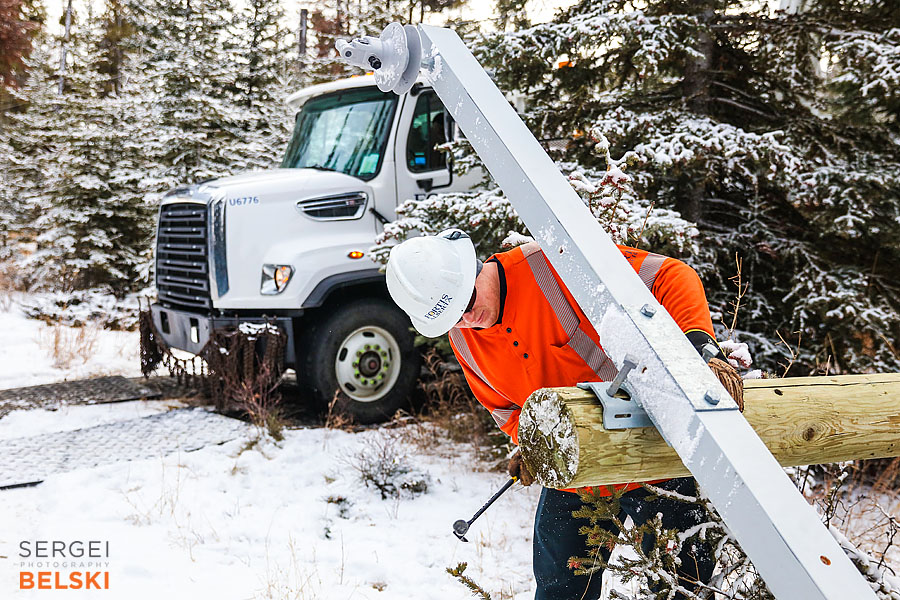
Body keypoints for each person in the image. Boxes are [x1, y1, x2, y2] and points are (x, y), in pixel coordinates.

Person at [385, 229, 743, 600]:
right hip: (576, 471)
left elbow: (670, 275)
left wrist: (700, 348)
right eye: (452, 318)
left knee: (683, 587)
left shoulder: (551, 264)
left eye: (467, 302)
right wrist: (531, 443)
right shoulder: (463, 336)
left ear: (474, 269)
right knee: (560, 591)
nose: (467, 320)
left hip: (654, 454)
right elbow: (504, 407)